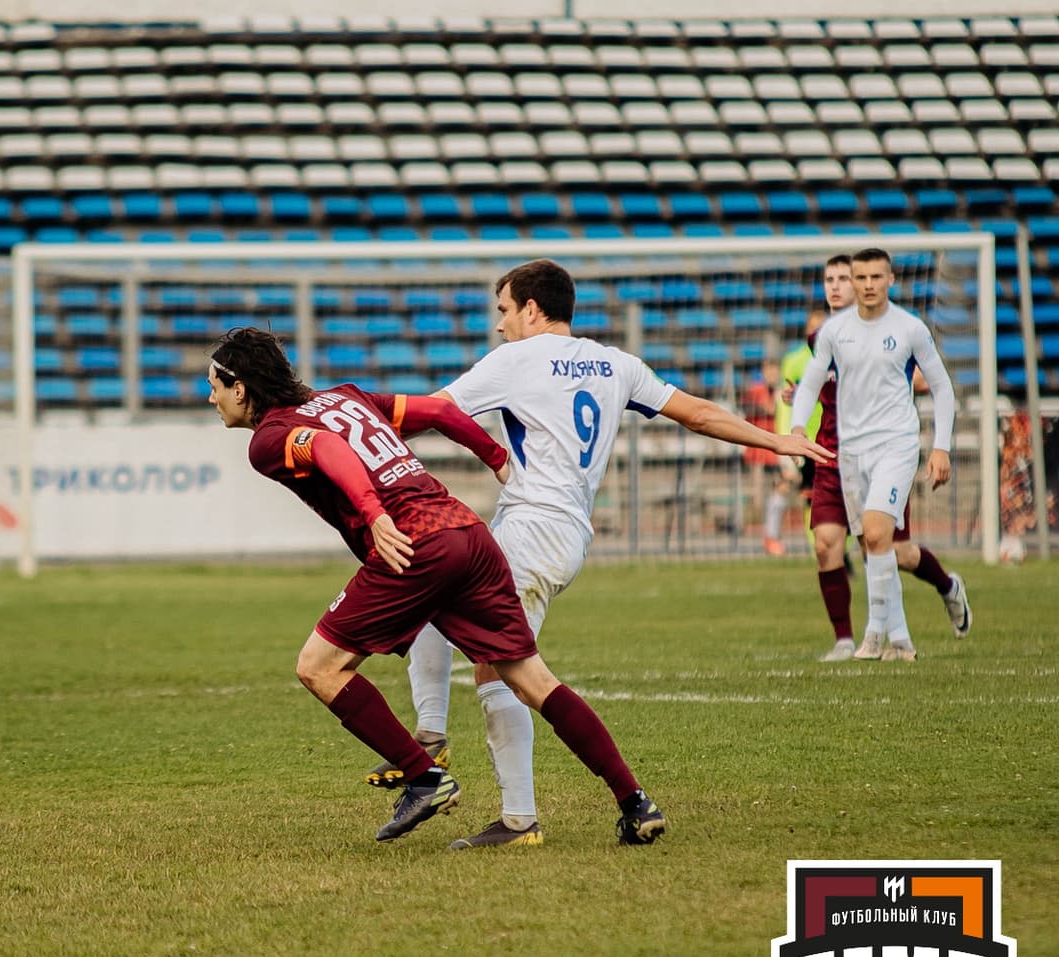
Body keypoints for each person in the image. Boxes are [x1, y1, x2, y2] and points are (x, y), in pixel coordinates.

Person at [392, 259, 834, 849]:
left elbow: (430, 411)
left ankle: (472, 776)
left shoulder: (514, 360)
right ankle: (457, 763)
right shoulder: (615, 363)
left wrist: (348, 429)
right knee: (454, 616)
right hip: (568, 532)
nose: (499, 325)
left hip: (530, 530)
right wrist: (775, 439)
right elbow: (699, 413)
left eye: (503, 310)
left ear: (530, 309)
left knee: (501, 659)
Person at [205, 324, 668, 848]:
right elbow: (442, 412)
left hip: (414, 544)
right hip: (468, 532)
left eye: (215, 386)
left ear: (240, 388)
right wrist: (496, 458)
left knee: (318, 666)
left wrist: (374, 513)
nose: (211, 397)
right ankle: (635, 802)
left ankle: (424, 776)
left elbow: (329, 447)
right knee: (531, 680)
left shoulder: (269, 439)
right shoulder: (349, 397)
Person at [779, 254, 970, 661]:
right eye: (857, 277)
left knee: (879, 537)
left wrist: (941, 446)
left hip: (895, 446)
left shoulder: (909, 328)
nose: (865, 284)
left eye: (873, 277)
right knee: (859, 545)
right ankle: (891, 640)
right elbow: (812, 381)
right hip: (844, 452)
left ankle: (876, 635)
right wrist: (797, 425)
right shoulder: (830, 333)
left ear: (890, 279)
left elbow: (940, 385)